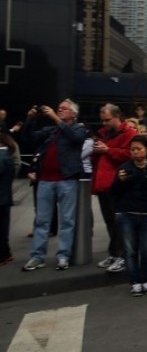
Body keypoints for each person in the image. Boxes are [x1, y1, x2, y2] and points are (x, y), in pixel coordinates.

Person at [22, 101, 87, 271]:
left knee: (67, 220)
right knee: (42, 220)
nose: (59, 110)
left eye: (63, 109)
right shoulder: (51, 131)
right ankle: (37, 256)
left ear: (73, 114)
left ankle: (63, 255)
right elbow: (30, 139)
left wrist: (54, 118)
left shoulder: (78, 129)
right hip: (45, 180)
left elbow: (76, 138)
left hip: (67, 180)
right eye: (58, 109)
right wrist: (30, 120)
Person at [111, 136, 147, 295]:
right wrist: (120, 181)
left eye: (138, 148)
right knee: (130, 250)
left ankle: (146, 279)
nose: (135, 152)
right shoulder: (125, 168)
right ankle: (135, 281)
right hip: (128, 214)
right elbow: (114, 192)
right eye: (132, 149)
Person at [92, 103, 137, 273]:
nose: (104, 123)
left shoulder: (130, 133)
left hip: (118, 184)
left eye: (108, 120)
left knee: (120, 222)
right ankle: (114, 253)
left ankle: (123, 256)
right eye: (102, 120)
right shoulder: (104, 134)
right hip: (104, 184)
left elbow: (130, 154)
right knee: (110, 221)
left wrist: (107, 150)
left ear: (118, 117)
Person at [1, 131, 22, 266]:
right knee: (3, 226)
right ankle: (6, 253)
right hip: (4, 196)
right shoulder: (7, 155)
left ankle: (2, 256)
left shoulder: (1, 157)